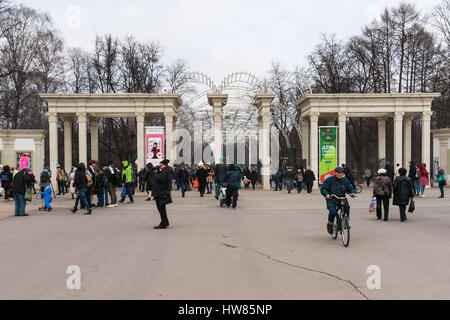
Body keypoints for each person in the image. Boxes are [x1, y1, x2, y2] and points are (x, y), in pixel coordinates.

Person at [321, 167, 356, 234]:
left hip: (342, 198)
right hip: (332, 198)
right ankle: (330, 223)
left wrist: (352, 193)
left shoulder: (345, 180)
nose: (340, 174)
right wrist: (326, 194)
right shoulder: (329, 180)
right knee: (333, 211)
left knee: (347, 207)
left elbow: (350, 188)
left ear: (343, 173)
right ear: (335, 173)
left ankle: (346, 222)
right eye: (338, 173)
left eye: (341, 173)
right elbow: (323, 188)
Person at [152, 159, 172, 229]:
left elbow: (160, 179)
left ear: (164, 165)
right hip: (162, 192)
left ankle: (163, 223)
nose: (159, 165)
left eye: (161, 164)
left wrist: (156, 173)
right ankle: (165, 222)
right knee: (162, 209)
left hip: (161, 193)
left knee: (161, 209)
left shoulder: (165, 171)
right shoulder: (166, 171)